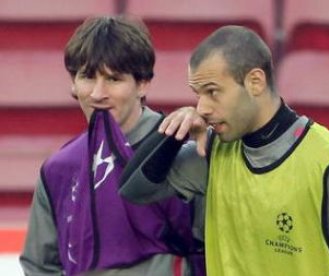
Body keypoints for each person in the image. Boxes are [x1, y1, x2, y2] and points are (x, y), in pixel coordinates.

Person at [119, 25, 329, 275]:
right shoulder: (214, 153)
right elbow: (133, 190)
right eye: (197, 94)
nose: (201, 108)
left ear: (255, 82)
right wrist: (171, 136)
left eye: (212, 92)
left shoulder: (328, 162)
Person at [19, 16, 205, 276]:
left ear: (143, 84)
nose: (97, 93)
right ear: (73, 82)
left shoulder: (186, 148)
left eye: (113, 79)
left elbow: (220, 253)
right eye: (87, 77)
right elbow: (39, 267)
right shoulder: (58, 169)